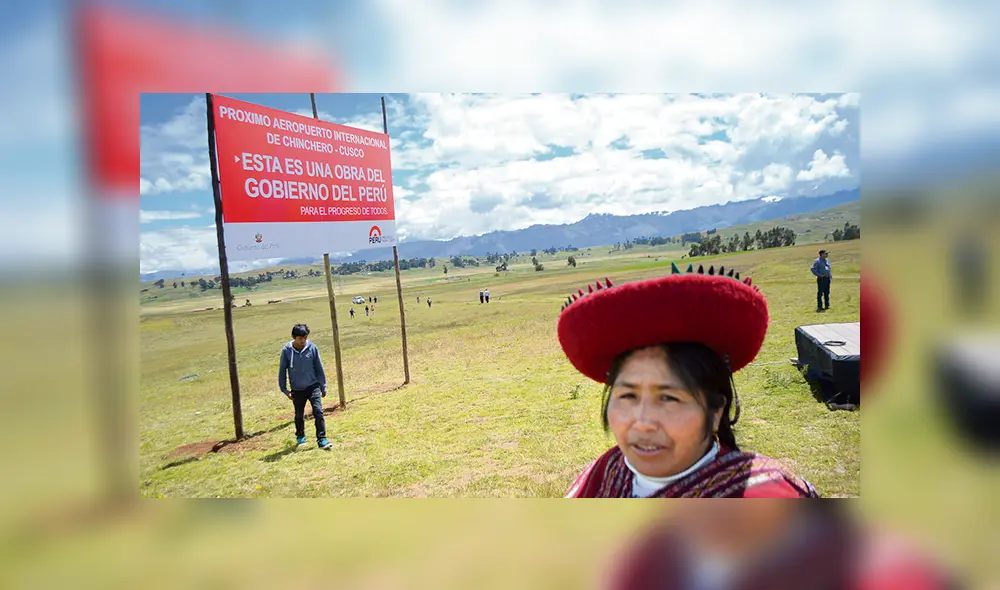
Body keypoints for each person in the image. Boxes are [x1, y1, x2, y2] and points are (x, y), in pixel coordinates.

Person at [559, 263, 819, 497]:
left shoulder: (768, 501)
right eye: (627, 396)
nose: (642, 423)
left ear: (716, 410)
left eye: (669, 398)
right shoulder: (604, 473)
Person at [277, 324, 331, 450]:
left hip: (313, 386)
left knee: (318, 412)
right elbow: (282, 371)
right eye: (300, 338)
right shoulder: (286, 351)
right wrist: (284, 389)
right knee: (299, 415)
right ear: (294, 337)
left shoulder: (312, 348)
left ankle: (322, 439)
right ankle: (300, 436)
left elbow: (319, 367)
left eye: (305, 338)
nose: (303, 341)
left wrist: (323, 386)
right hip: (297, 389)